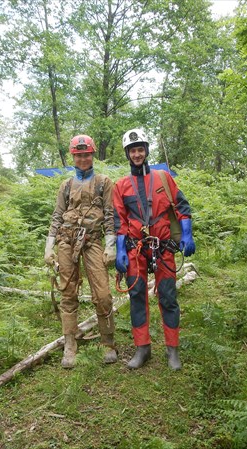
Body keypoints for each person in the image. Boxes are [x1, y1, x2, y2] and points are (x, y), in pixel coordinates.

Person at [113, 128, 195, 370]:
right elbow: (119, 220)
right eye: (133, 151)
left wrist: (187, 234)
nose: (137, 154)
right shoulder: (121, 185)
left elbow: (182, 206)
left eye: (140, 149)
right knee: (137, 296)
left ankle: (173, 350)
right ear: (128, 154)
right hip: (135, 248)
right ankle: (143, 349)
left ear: (146, 151)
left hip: (163, 246)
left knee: (169, 297)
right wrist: (119, 251)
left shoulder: (163, 178)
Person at [44, 134, 117, 369]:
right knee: (67, 292)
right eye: (78, 155)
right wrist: (49, 247)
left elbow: (110, 216)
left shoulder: (104, 182)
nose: (83, 158)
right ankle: (70, 344)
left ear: (92, 154)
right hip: (66, 241)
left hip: (94, 241)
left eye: (86, 154)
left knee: (103, 294)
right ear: (73, 157)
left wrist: (110, 245)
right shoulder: (65, 185)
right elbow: (57, 216)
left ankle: (107, 342)